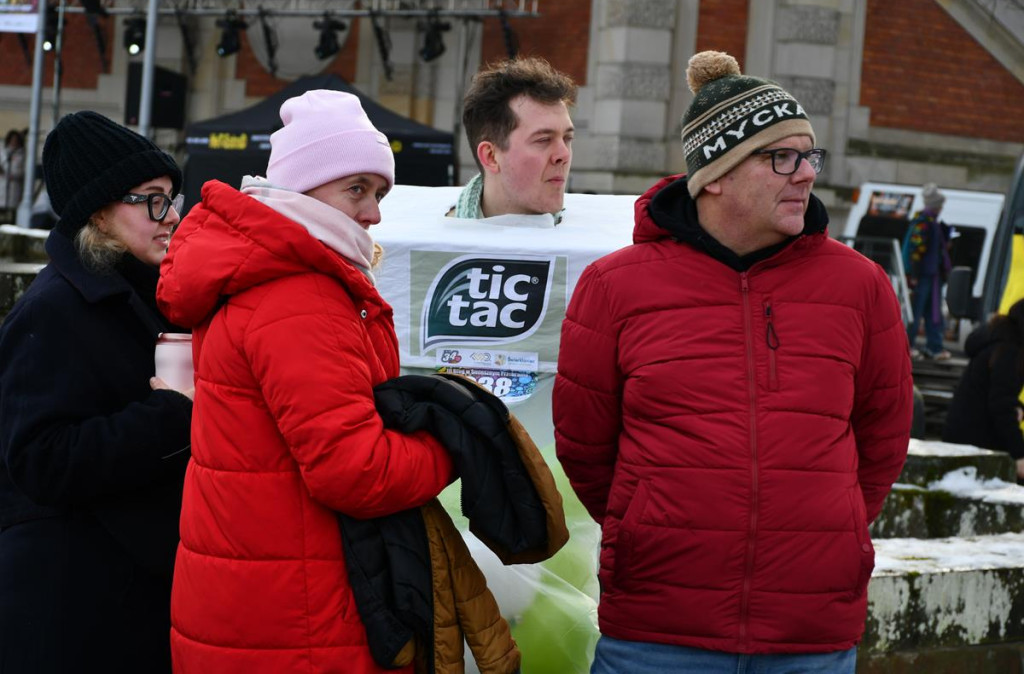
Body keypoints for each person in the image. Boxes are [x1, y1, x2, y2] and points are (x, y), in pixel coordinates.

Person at [553, 50, 913, 673]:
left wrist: (830, 527)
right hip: (657, 633)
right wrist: (649, 523)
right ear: (714, 174)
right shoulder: (615, 286)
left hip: (810, 635)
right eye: (782, 158)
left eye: (809, 156)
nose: (805, 175)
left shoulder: (861, 286)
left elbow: (882, 436)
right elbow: (585, 444)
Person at [156, 90, 455, 673]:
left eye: (379, 193)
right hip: (298, 621)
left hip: (254, 603)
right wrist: (451, 445)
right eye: (357, 189)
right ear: (303, 189)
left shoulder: (264, 270)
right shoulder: (300, 291)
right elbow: (355, 471)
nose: (373, 212)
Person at [0, 111, 193, 672]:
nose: (172, 215)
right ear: (100, 209)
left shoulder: (143, 291)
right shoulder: (53, 309)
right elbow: (39, 460)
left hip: (123, 595)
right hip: (69, 607)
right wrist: (171, 413)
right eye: (152, 199)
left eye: (171, 198)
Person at [451, 56, 576, 221]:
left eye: (567, 138)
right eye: (544, 140)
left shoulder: (601, 242)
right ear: (491, 156)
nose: (564, 155)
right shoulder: (428, 241)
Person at [943, 298, 1024, 481]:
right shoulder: (1009, 352)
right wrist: (1020, 455)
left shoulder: (999, 342)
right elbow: (1001, 406)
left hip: (963, 441)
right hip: (974, 450)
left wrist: (1018, 408)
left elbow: (997, 395)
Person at [903, 182, 953, 360]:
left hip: (932, 276)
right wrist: (914, 276)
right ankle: (907, 346)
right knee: (916, 313)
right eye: (940, 205)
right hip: (924, 276)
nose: (941, 208)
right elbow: (915, 251)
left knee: (933, 313)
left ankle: (935, 347)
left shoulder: (929, 222)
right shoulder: (924, 223)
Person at [0, 128, 26, 220]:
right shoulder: (3, 152)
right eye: (12, 139)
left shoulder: (22, 155)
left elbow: (23, 172)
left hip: (14, 188)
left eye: (16, 140)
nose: (14, 142)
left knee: (11, 215)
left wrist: (8, 174)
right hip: (2, 187)